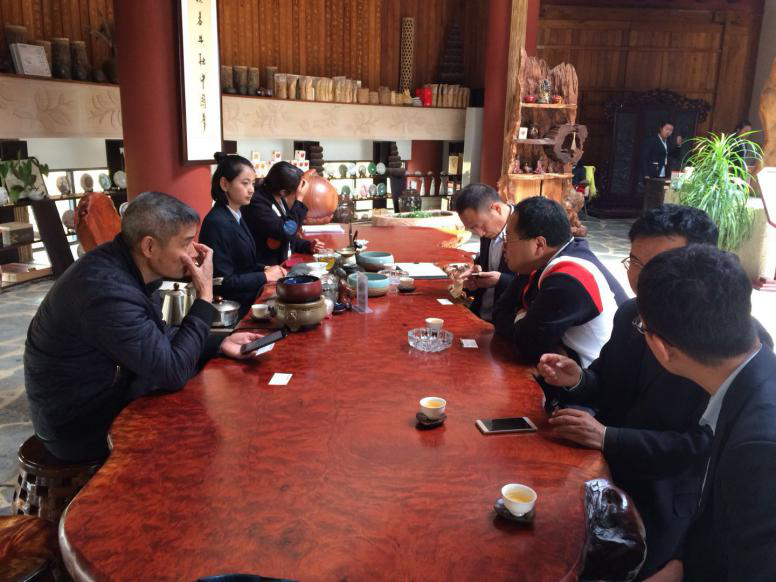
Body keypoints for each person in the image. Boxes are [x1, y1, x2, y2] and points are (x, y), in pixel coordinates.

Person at [537, 205, 770, 578]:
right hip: (606, 478)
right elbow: (609, 384)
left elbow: (702, 452)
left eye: (661, 266)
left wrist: (609, 437)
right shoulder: (636, 314)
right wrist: (577, 380)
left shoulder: (725, 353)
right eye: (635, 262)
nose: (642, 278)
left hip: (666, 501)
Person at [24, 192, 267, 463]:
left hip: (106, 393)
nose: (194, 252)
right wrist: (205, 297)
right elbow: (172, 371)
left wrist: (219, 342)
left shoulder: (130, 266)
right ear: (149, 246)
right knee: (207, 429)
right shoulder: (106, 291)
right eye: (186, 243)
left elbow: (156, 337)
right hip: (78, 426)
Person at [636, 245, 776, 582]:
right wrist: (680, 566)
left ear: (661, 348)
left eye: (642, 328)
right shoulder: (753, 375)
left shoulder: (759, 446)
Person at [493, 197, 627, 367]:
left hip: (591, 376)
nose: (504, 246)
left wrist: (522, 315)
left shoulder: (568, 278)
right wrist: (525, 319)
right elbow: (500, 312)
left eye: (509, 239)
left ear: (539, 244)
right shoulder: (540, 262)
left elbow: (527, 345)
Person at [199, 153, 285, 318]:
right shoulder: (217, 222)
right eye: (245, 183)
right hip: (232, 308)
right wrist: (264, 276)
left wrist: (264, 268)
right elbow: (221, 282)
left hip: (248, 297)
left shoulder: (236, 214)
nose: (251, 189)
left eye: (252, 183)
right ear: (225, 184)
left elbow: (243, 265)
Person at [242, 161, 325, 266]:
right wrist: (299, 199)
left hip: (281, 263)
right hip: (265, 268)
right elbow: (286, 231)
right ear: (284, 192)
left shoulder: (277, 197)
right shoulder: (257, 202)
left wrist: (307, 246)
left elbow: (287, 236)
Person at [452, 183, 515, 322]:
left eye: (479, 226)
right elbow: (484, 265)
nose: (480, 233)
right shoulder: (489, 230)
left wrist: (500, 281)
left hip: (508, 322)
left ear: (496, 209)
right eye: (472, 229)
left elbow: (533, 284)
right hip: (481, 316)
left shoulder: (525, 229)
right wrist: (475, 275)